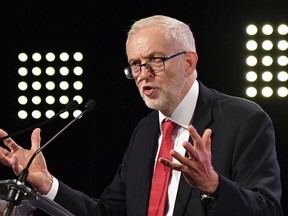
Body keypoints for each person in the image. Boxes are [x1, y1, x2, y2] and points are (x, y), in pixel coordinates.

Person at [0, 15, 283, 216]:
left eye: (155, 60)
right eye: (135, 64)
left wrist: (214, 186)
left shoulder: (245, 120)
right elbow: (109, 212)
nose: (143, 75)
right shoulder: (146, 131)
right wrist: (48, 184)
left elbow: (268, 209)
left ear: (188, 62)